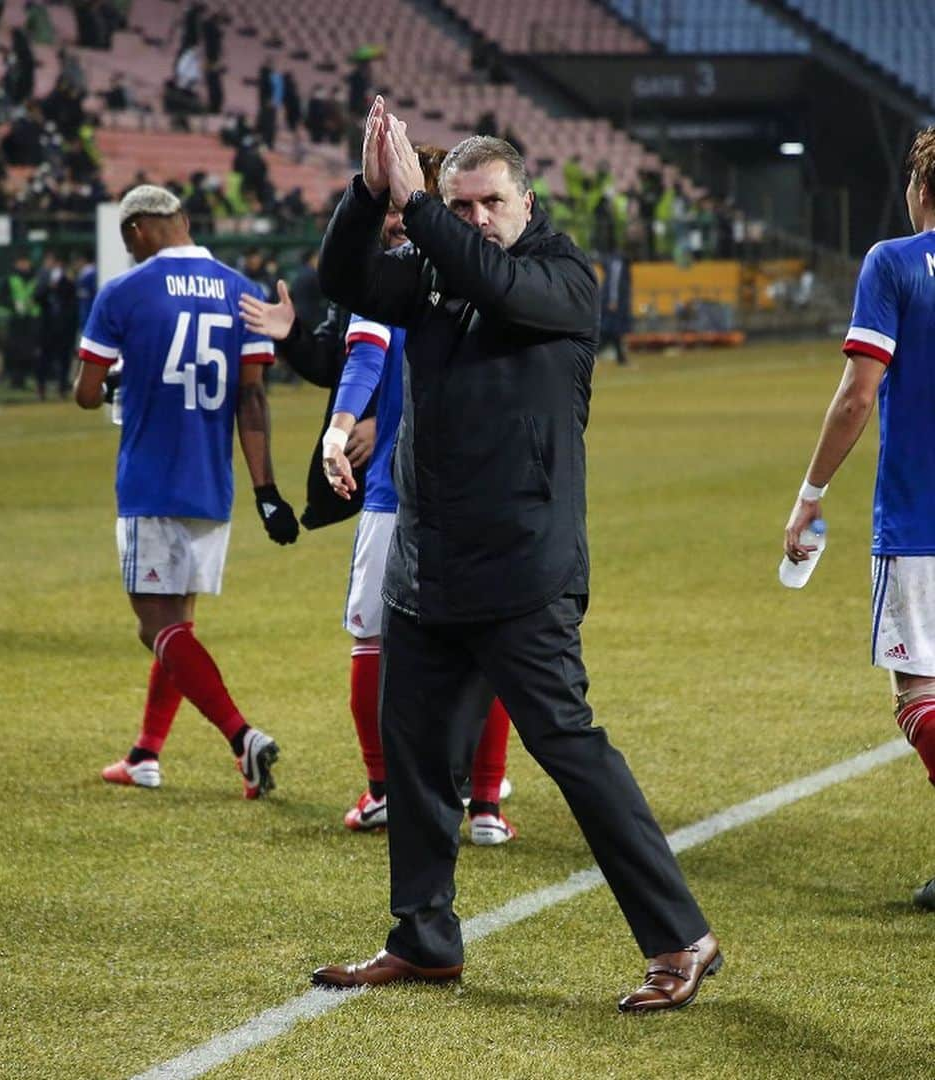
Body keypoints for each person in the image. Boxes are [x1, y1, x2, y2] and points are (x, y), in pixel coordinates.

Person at [309, 99, 720, 1011]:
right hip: (430, 565)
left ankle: (681, 939)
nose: (475, 220)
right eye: (459, 207)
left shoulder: (566, 278)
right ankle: (423, 938)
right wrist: (368, 191)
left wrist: (419, 215)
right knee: (413, 755)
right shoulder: (430, 276)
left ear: (525, 202)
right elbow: (343, 277)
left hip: (525, 570)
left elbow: (496, 286)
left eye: (488, 202)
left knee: (571, 752)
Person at [242, 149, 515, 841]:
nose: (393, 222)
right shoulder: (493, 277)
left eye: (403, 207)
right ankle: (481, 804)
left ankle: (393, 789)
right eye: (389, 209)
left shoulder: (397, 282)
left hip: (402, 497)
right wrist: (341, 418)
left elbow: (365, 355)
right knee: (488, 646)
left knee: (375, 641)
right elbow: (357, 359)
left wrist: (342, 428)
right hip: (476, 496)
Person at [74, 184, 299, 796]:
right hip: (212, 482)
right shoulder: (241, 290)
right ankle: (145, 752)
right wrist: (267, 490)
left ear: (137, 231)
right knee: (181, 625)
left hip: (151, 478)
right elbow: (251, 398)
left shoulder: (124, 290)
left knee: (157, 627)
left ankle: (242, 737)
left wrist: (124, 376)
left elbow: (87, 391)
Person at [783, 127, 935, 912]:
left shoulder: (896, 263)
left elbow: (856, 394)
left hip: (920, 519)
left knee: (919, 696)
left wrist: (811, 492)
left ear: (919, 185)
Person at [35, 250, 78, 400]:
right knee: (44, 358)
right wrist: (48, 287)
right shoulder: (42, 279)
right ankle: (41, 388)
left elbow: (71, 300)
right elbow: (38, 297)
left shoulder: (68, 281)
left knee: (64, 358)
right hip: (47, 326)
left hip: (64, 327)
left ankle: (61, 388)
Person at [0, 251, 40, 389]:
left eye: (25, 262)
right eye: (20, 262)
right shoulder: (11, 279)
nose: (23, 265)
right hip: (16, 321)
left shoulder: (36, 278)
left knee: (31, 351)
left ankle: (32, 378)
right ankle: (17, 380)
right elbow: (1, 297)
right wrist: (13, 304)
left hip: (33, 320)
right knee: (15, 352)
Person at [599, 249, 632, 367]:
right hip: (613, 302)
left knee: (615, 331)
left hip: (614, 301)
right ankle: (592, 353)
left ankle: (621, 358)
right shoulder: (617, 263)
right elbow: (614, 282)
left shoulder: (615, 262)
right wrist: (613, 300)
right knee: (609, 330)